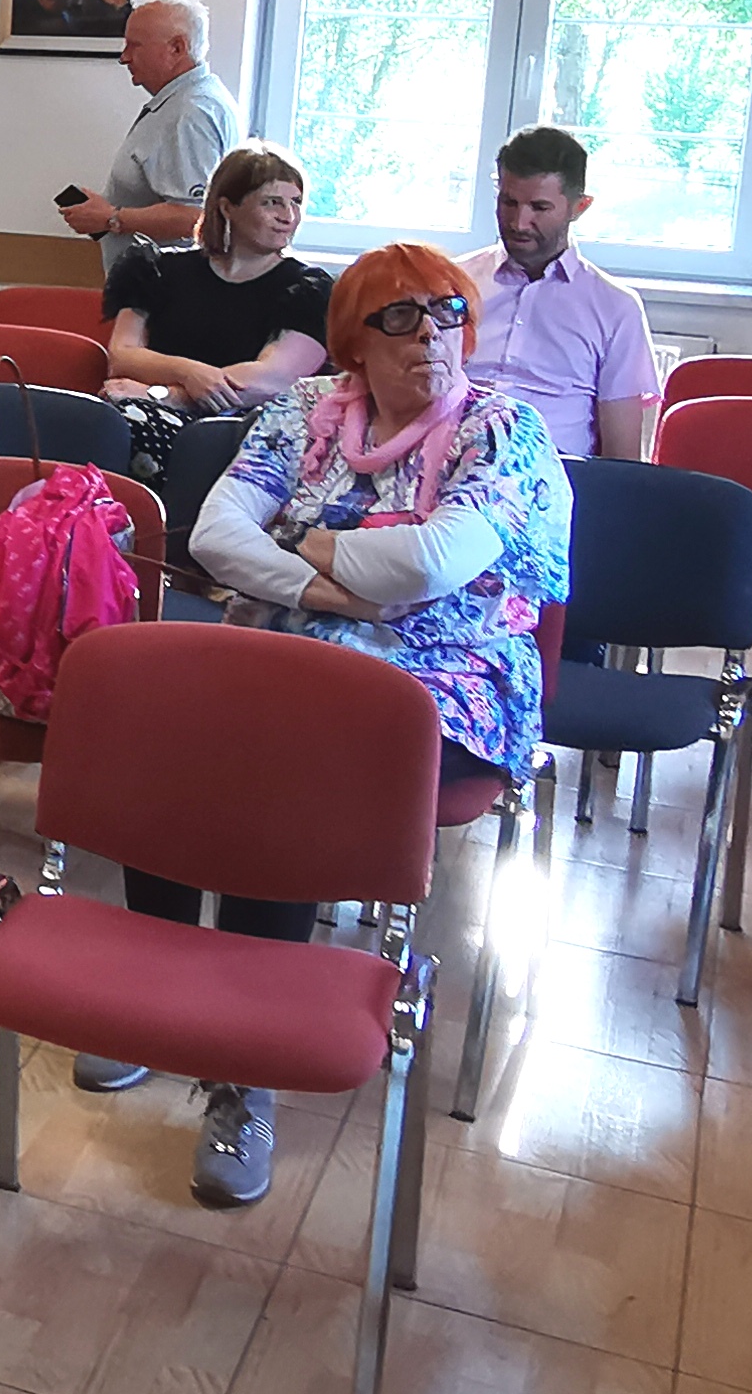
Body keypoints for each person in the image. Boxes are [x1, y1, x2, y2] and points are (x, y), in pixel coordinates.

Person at [164, 242, 569, 1206]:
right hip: (295, 645)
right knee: (164, 716)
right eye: (401, 318)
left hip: (450, 677)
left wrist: (300, 541)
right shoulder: (306, 410)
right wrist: (328, 588)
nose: (430, 335)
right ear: (354, 342)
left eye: (447, 314)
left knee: (284, 763)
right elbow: (215, 535)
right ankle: (164, 997)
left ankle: (246, 1069)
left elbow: (433, 566)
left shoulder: (502, 428)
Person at [103, 140, 330, 471]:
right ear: (227, 207)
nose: (288, 216)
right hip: (143, 407)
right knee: (99, 424)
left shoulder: (307, 287)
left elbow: (272, 379)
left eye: (295, 202)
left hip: (242, 428)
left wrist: (164, 394)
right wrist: (188, 372)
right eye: (272, 202)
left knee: (128, 424)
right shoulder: (157, 269)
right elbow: (122, 356)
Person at [459, 125, 654, 461]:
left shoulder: (616, 308)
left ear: (579, 207)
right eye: (508, 202)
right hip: (448, 469)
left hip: (555, 479)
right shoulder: (451, 282)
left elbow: (622, 461)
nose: (519, 222)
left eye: (539, 207)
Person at [60, 0, 241, 281]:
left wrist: (111, 218)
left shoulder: (190, 113)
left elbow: (194, 217)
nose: (124, 57)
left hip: (167, 292)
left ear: (177, 48)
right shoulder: (190, 100)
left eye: (135, 46)